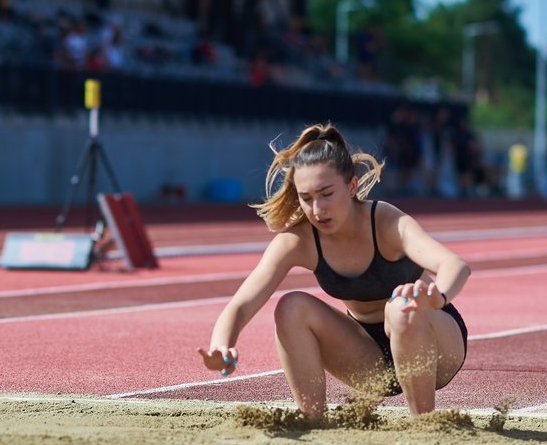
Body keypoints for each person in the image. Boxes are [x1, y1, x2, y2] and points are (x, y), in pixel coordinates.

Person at [197, 124, 471, 421]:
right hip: (371, 359)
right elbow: (241, 303)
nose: (317, 209)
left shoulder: (386, 222)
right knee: (292, 306)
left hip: (433, 344)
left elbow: (454, 265)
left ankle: (426, 424)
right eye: (306, 197)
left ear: (352, 187)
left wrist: (436, 296)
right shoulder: (300, 240)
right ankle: (310, 418)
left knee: (400, 308)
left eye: (326, 194)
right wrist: (221, 346)